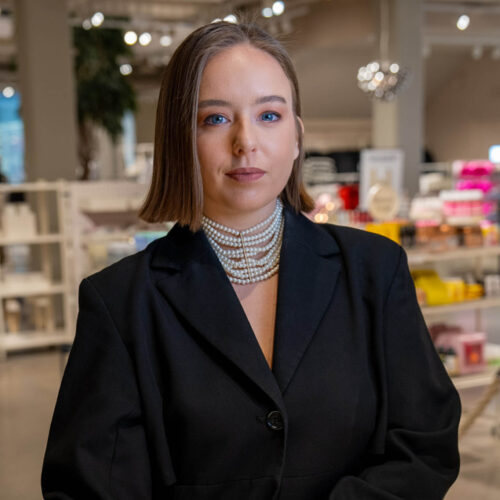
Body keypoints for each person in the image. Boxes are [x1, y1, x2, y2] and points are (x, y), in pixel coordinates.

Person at [41, 21, 460, 499]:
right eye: (215, 119)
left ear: (297, 136)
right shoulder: (120, 303)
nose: (246, 142)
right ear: (179, 141)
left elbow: (426, 443)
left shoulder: (375, 270)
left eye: (270, 115)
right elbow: (92, 486)